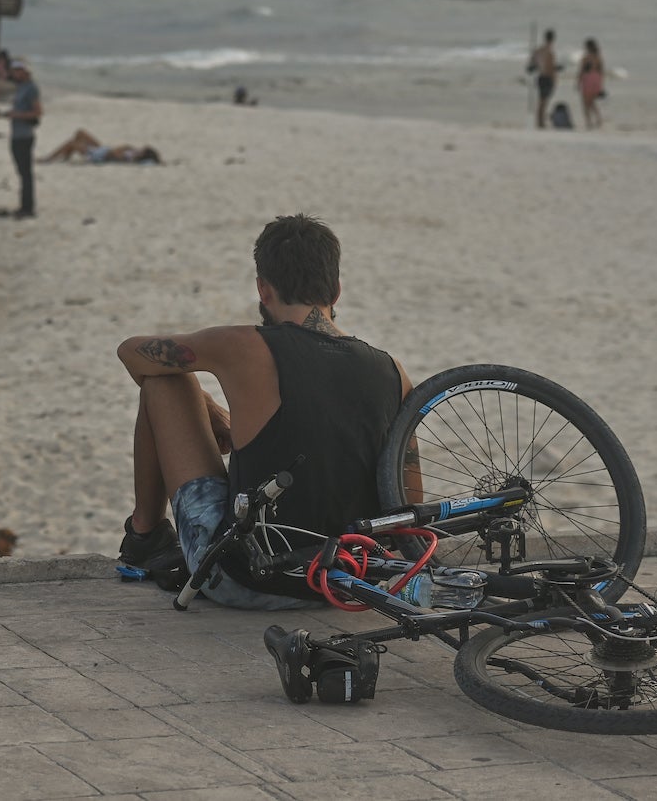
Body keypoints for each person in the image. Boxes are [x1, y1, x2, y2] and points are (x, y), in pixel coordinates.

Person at [116, 214, 412, 606]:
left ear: (263, 289)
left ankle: (145, 534)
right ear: (337, 291)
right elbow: (407, 504)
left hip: (249, 581)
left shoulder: (243, 346)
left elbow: (131, 353)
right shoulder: (393, 372)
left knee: (167, 380)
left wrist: (210, 409)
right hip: (349, 582)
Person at [0, 59, 42, 219]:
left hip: (25, 135)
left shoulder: (31, 88)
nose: (14, 73)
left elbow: (37, 112)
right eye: (13, 70)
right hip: (16, 134)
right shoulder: (20, 87)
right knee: (21, 171)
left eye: (17, 70)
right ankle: (24, 205)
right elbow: (19, 108)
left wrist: (17, 115)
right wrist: (6, 114)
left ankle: (28, 208)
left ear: (25, 71)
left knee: (26, 173)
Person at [40, 128, 161, 164]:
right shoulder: (133, 153)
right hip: (103, 149)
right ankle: (66, 156)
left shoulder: (130, 158)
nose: (139, 148)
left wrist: (124, 147)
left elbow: (113, 154)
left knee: (72, 143)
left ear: (143, 154)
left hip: (98, 155)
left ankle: (49, 158)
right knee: (80, 132)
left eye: (142, 150)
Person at [529, 29, 557, 130]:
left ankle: (540, 121)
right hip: (547, 77)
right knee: (543, 101)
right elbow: (551, 68)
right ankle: (540, 122)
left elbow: (532, 61)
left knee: (541, 100)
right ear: (553, 39)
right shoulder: (550, 51)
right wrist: (554, 79)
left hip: (540, 77)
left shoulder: (539, 50)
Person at [577, 38, 606, 129]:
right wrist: (600, 84)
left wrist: (578, 82)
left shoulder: (586, 58)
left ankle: (589, 122)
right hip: (596, 79)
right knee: (592, 102)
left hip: (587, 79)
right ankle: (598, 119)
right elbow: (601, 72)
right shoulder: (598, 57)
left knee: (585, 103)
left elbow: (581, 71)